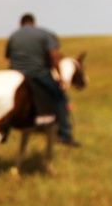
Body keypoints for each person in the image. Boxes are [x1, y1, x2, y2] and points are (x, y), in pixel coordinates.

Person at [5, 13, 78, 145]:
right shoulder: (44, 34)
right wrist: (60, 77)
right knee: (60, 97)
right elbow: (54, 57)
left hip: (14, 73)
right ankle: (65, 134)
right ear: (33, 22)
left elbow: (8, 56)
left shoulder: (14, 35)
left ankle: (5, 131)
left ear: (21, 23)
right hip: (37, 73)